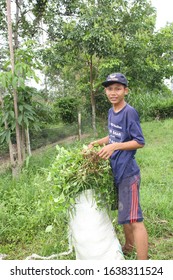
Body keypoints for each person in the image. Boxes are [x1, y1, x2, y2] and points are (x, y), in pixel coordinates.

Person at [88, 73, 148, 260]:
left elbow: (139, 141)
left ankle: (143, 263)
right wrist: (98, 142)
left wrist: (115, 146)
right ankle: (128, 247)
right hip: (117, 172)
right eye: (110, 89)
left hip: (128, 173)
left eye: (118, 88)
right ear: (105, 91)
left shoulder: (129, 112)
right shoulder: (111, 112)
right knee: (124, 214)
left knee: (135, 219)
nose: (113, 92)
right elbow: (114, 136)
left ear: (125, 91)